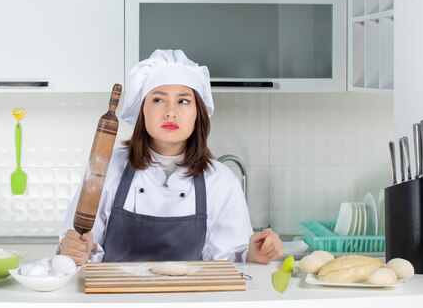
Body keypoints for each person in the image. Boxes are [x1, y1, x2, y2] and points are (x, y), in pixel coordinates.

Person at [59, 49, 283, 264]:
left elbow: (231, 260)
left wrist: (253, 254)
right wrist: (76, 251)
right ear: (142, 110)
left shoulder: (221, 182)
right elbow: (77, 247)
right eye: (158, 99)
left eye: (183, 101)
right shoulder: (105, 170)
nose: (170, 111)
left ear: (198, 113)